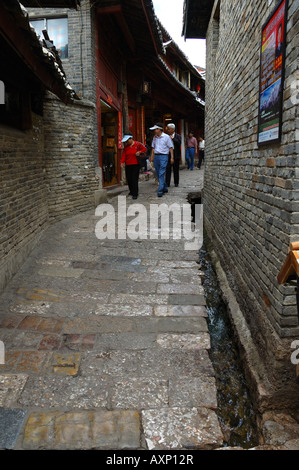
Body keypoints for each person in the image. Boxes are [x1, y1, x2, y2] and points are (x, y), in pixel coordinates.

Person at [150, 123, 174, 197]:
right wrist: (152, 156)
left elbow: (171, 147)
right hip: (156, 157)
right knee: (158, 173)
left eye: (155, 129)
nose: (154, 131)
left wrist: (172, 157)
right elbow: (153, 148)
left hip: (164, 156)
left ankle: (160, 190)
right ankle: (165, 186)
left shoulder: (166, 137)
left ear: (159, 129)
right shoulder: (155, 137)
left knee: (161, 172)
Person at [121, 135, 147, 200]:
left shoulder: (137, 144)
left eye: (127, 141)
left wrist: (139, 152)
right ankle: (131, 191)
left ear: (131, 139)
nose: (126, 142)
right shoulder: (126, 147)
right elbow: (124, 155)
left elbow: (145, 149)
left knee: (134, 179)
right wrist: (122, 162)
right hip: (128, 164)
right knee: (129, 179)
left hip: (135, 164)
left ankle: (135, 193)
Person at [166, 123, 181, 188]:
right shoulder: (166, 136)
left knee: (176, 169)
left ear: (172, 129)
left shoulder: (178, 136)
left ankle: (176, 182)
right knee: (168, 169)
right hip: (168, 154)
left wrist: (173, 139)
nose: (168, 130)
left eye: (169, 129)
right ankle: (167, 183)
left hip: (176, 154)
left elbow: (179, 143)